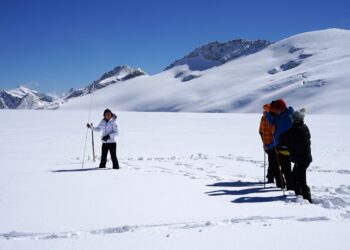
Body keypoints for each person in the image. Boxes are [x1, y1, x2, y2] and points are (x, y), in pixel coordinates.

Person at [279, 108, 313, 202]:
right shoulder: (303, 127)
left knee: (301, 180)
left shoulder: (298, 130)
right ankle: (299, 197)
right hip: (303, 159)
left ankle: (307, 199)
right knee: (295, 178)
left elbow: (284, 137)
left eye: (292, 119)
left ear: (296, 120)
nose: (291, 120)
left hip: (302, 160)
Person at [265, 99, 294, 190]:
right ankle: (290, 187)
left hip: (286, 147)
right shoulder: (283, 115)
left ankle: (290, 189)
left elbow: (277, 138)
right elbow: (273, 122)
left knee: (286, 169)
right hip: (283, 146)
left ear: (281, 108)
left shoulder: (285, 119)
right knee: (284, 168)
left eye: (276, 109)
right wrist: (268, 115)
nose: (275, 111)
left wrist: (268, 146)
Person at [259, 104, 280, 185]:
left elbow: (260, 131)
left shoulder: (263, 118)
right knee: (274, 162)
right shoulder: (273, 118)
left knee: (272, 161)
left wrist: (264, 142)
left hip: (267, 143)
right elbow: (275, 131)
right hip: (274, 143)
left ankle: (270, 177)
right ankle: (272, 178)